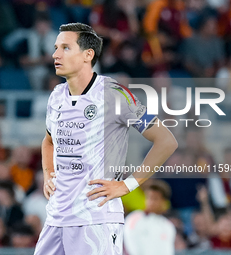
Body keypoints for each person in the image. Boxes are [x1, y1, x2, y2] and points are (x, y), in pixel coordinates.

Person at [35, 22, 178, 255]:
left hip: (96, 219)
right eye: (55, 48)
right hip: (57, 217)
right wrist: (48, 175)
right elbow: (48, 141)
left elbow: (166, 140)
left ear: (87, 55)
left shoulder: (113, 94)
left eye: (65, 48)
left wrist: (127, 185)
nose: (55, 54)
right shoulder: (56, 96)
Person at [124, 180, 176, 255]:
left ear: (164, 201)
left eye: (155, 198)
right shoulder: (133, 218)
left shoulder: (168, 226)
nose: (150, 202)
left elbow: (168, 251)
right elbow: (131, 246)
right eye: (148, 197)